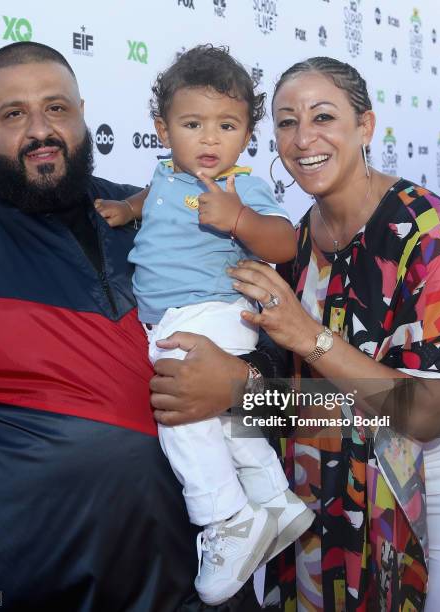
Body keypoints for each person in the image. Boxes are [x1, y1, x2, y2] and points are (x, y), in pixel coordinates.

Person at [0, 41, 267, 612]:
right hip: (4, 588)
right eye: (14, 114)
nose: (40, 130)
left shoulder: (174, 212)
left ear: (84, 112)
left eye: (57, 108)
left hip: (193, 584)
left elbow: (287, 369)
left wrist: (245, 385)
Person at [221, 57, 440, 611]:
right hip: (316, 508)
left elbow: (428, 413)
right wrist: (230, 392)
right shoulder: (291, 245)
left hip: (424, 513)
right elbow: (293, 408)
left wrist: (308, 336)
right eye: (286, 122)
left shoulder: (430, 232)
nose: (302, 138)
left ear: (365, 127)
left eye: (323, 117)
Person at [95, 45, 314, 606]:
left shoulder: (240, 185)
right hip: (182, 313)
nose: (210, 139)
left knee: (180, 412)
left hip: (212, 310)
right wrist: (130, 209)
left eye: (227, 126)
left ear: (246, 136)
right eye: (194, 125)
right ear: (163, 132)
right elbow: (160, 196)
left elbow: (285, 242)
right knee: (216, 418)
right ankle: (272, 496)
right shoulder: (168, 172)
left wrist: (238, 219)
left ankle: (224, 519)